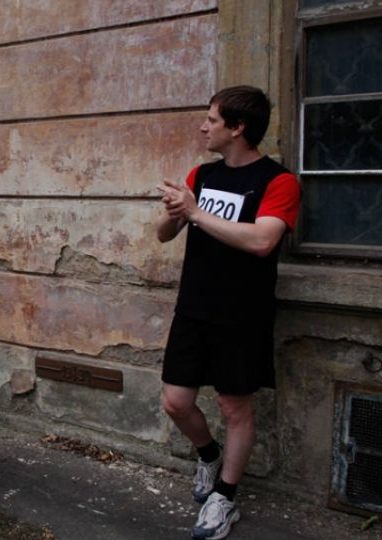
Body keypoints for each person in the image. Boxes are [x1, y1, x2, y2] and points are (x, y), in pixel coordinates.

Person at [155, 86, 300, 540]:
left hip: (242, 314)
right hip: (194, 308)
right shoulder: (200, 174)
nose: (204, 126)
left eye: (212, 120)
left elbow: (262, 241)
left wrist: (196, 213)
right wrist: (175, 211)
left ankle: (225, 497)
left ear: (237, 128)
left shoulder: (279, 181)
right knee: (175, 402)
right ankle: (208, 454)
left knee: (234, 406)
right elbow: (163, 235)